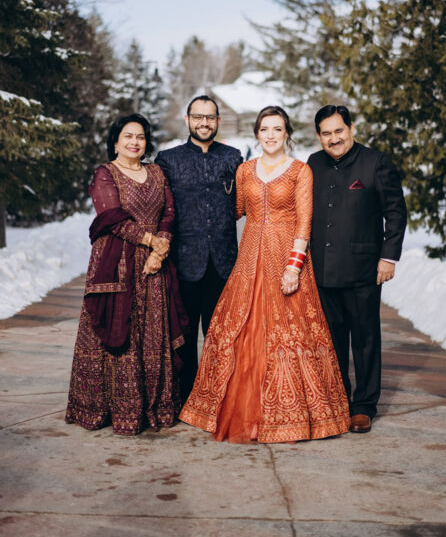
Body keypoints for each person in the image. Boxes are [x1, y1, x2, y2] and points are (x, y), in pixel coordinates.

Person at [180, 106, 351, 443]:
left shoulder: (300, 171)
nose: (270, 135)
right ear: (257, 134)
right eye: (264, 129)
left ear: (287, 134)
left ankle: (291, 416)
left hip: (286, 256)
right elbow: (235, 210)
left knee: (290, 333)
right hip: (249, 257)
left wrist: (294, 266)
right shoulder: (245, 170)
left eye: (277, 129)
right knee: (240, 329)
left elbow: (304, 222)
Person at [66, 114, 187, 435]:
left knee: (153, 333)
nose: (135, 142)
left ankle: (154, 408)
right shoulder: (105, 173)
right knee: (121, 330)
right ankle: (113, 409)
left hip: (154, 266)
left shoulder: (157, 172)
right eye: (128, 136)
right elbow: (113, 218)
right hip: (118, 262)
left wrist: (160, 250)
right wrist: (153, 243)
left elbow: (169, 213)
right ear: (116, 142)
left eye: (140, 137)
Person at [307, 105, 407, 434]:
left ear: (351, 128)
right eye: (326, 133)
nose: (334, 138)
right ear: (318, 136)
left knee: (365, 339)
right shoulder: (313, 164)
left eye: (339, 130)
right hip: (323, 268)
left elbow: (396, 213)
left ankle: (363, 406)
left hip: (364, 269)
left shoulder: (375, 162)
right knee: (332, 340)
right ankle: (339, 401)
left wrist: (388, 257)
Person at [155, 95, 243, 403]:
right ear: (187, 120)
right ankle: (186, 397)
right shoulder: (168, 160)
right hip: (183, 262)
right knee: (185, 335)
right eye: (198, 117)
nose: (204, 123)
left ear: (218, 121)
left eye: (209, 117)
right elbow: (160, 208)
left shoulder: (233, 157)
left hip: (224, 262)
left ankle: (217, 398)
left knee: (222, 335)